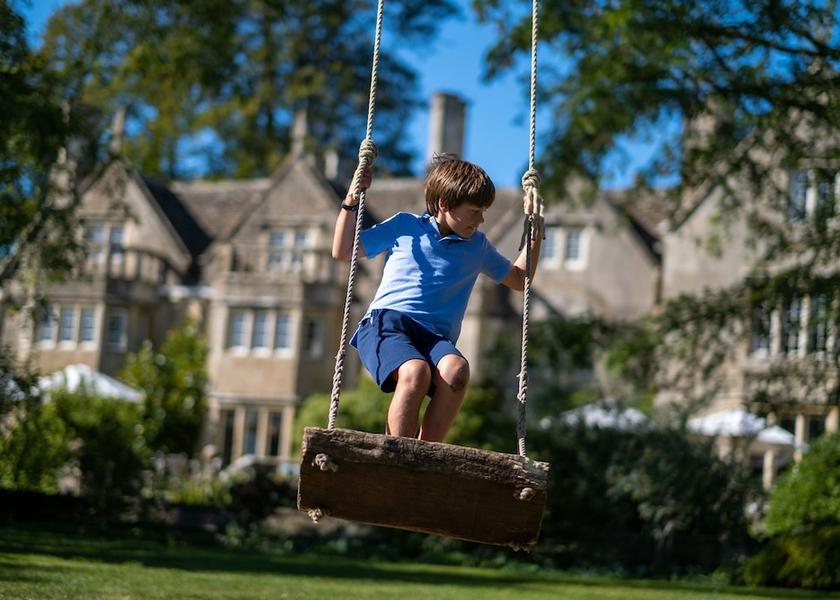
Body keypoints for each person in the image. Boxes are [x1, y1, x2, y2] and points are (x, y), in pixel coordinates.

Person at [332, 154, 542, 443]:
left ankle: (428, 453)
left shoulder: (477, 247)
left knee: (456, 371)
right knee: (416, 372)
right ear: (444, 204)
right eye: (474, 212)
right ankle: (399, 453)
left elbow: (519, 279)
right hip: (386, 325)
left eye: (483, 212)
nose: (480, 220)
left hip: (433, 337)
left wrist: (535, 232)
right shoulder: (405, 226)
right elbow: (344, 250)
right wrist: (351, 200)